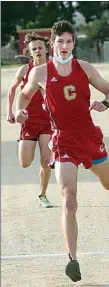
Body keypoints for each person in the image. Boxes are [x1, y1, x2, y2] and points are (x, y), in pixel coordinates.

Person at [15, 20, 109, 282]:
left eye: (69, 41)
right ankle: (72, 258)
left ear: (74, 43)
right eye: (59, 41)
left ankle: (94, 166)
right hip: (62, 141)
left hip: (89, 136)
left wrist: (104, 103)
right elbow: (23, 94)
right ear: (52, 44)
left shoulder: (84, 68)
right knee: (68, 199)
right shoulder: (40, 73)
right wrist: (19, 111)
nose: (64, 46)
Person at [6, 33, 53, 208]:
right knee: (25, 162)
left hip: (48, 122)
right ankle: (24, 144)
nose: (38, 51)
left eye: (41, 47)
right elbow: (12, 90)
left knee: (46, 159)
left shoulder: (53, 68)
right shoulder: (25, 70)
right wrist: (10, 112)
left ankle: (43, 195)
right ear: (29, 52)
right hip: (28, 121)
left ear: (47, 49)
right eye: (34, 49)